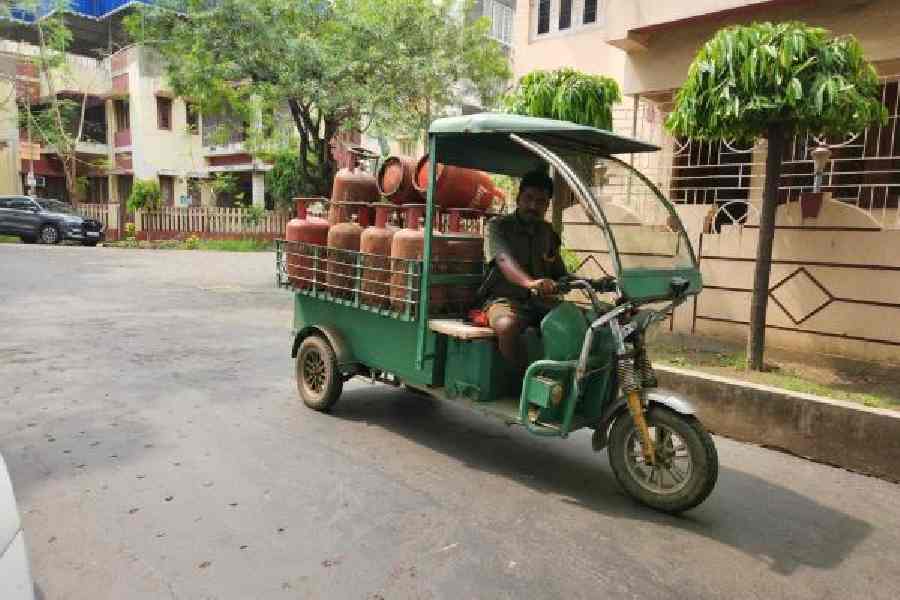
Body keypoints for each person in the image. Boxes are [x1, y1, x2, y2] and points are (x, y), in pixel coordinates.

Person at [479, 169, 567, 372]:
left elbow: (559, 272)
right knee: (506, 326)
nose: (533, 206)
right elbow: (503, 259)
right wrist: (530, 283)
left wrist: (592, 282)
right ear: (519, 198)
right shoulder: (498, 226)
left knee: (585, 321)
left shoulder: (547, 232)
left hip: (540, 303)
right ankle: (523, 382)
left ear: (547, 205)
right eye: (529, 198)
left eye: (540, 202)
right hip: (504, 300)